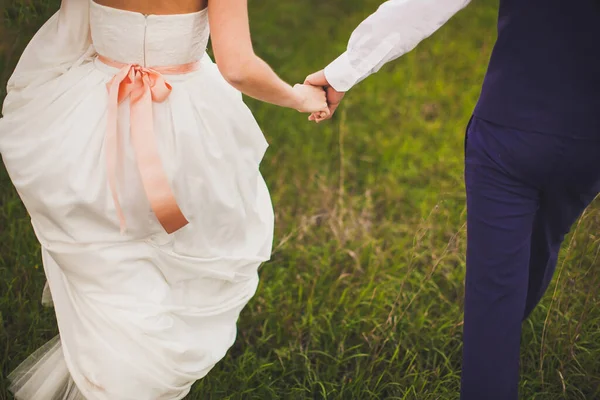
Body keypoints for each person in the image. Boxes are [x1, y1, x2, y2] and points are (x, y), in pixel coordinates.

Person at [0, 0, 328, 398]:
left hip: (97, 114)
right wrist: (298, 97)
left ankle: (114, 363)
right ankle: (135, 371)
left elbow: (70, 33)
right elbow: (237, 67)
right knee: (190, 244)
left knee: (108, 255)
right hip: (184, 125)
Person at [303, 0, 600, 398]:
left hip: (511, 126)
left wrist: (344, 71)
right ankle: (507, 325)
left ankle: (497, 336)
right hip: (590, 140)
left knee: (494, 291)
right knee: (544, 239)